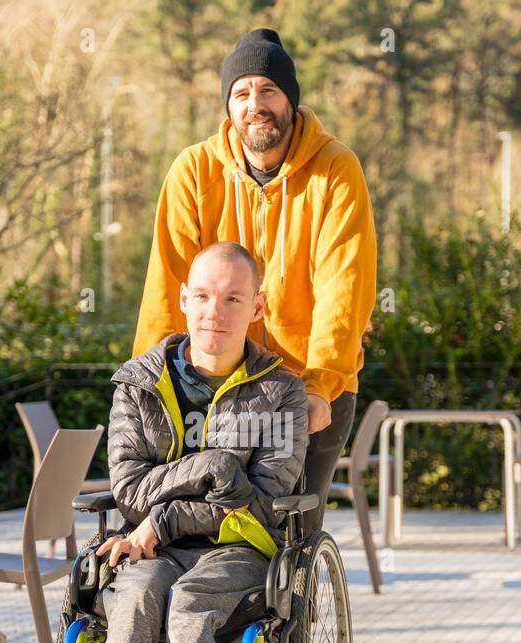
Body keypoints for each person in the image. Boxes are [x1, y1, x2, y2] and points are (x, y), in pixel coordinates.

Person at [81, 241, 309, 643]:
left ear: (257, 306)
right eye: (203, 296)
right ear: (182, 299)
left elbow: (260, 501)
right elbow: (129, 490)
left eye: (233, 298)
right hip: (154, 549)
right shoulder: (138, 383)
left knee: (190, 603)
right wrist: (212, 467)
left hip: (240, 550)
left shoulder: (281, 393)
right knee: (133, 598)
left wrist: (168, 517)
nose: (216, 311)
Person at [133, 27, 377, 535]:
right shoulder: (193, 172)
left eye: (268, 90)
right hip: (216, 385)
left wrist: (319, 385)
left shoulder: (336, 169)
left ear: (290, 99)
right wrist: (147, 381)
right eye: (241, 93)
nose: (255, 104)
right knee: (205, 528)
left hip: (311, 383)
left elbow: (344, 287)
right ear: (229, 105)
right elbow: (166, 284)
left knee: (291, 536)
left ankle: (303, 613)